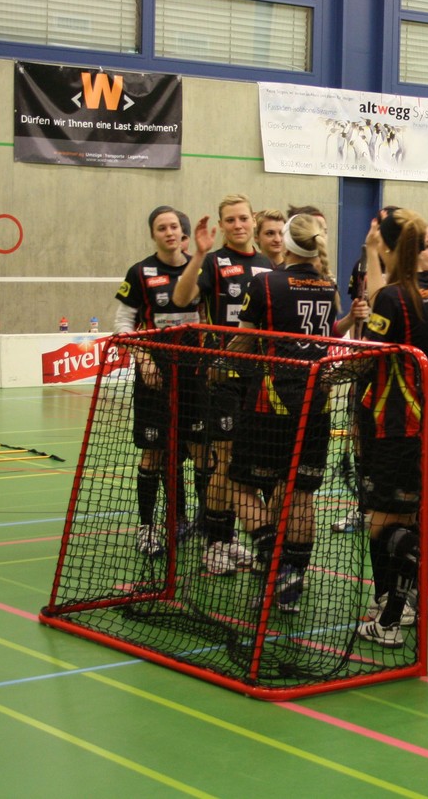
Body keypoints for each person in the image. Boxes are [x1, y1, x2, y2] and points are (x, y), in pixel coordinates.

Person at [352, 208, 428, 650]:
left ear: (388, 246)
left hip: (403, 424)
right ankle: (391, 618)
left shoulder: (394, 297)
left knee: (384, 527)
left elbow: (368, 356)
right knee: (407, 523)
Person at [228, 213, 359, 612]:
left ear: (285, 242)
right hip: (316, 403)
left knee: (239, 487)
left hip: (270, 401)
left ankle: (275, 560)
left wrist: (218, 361)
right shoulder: (327, 285)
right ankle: (292, 584)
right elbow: (325, 335)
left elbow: (245, 341)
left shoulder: (265, 283)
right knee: (300, 494)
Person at [172, 194, 274, 574]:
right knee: (225, 461)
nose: (238, 225)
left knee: (247, 465)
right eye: (230, 220)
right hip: (223, 375)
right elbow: (181, 298)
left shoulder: (268, 265)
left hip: (259, 378)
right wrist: (199, 253)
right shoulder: (214, 262)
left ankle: (230, 539)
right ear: (222, 225)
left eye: (243, 218)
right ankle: (216, 543)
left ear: (253, 220)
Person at [113, 206, 203, 556]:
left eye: (174, 226)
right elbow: (123, 324)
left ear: (183, 233)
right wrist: (143, 357)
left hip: (195, 376)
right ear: (153, 234)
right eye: (161, 228)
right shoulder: (140, 272)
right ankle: (148, 527)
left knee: (202, 452)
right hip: (154, 378)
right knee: (154, 453)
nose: (169, 232)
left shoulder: (201, 269)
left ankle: (207, 526)